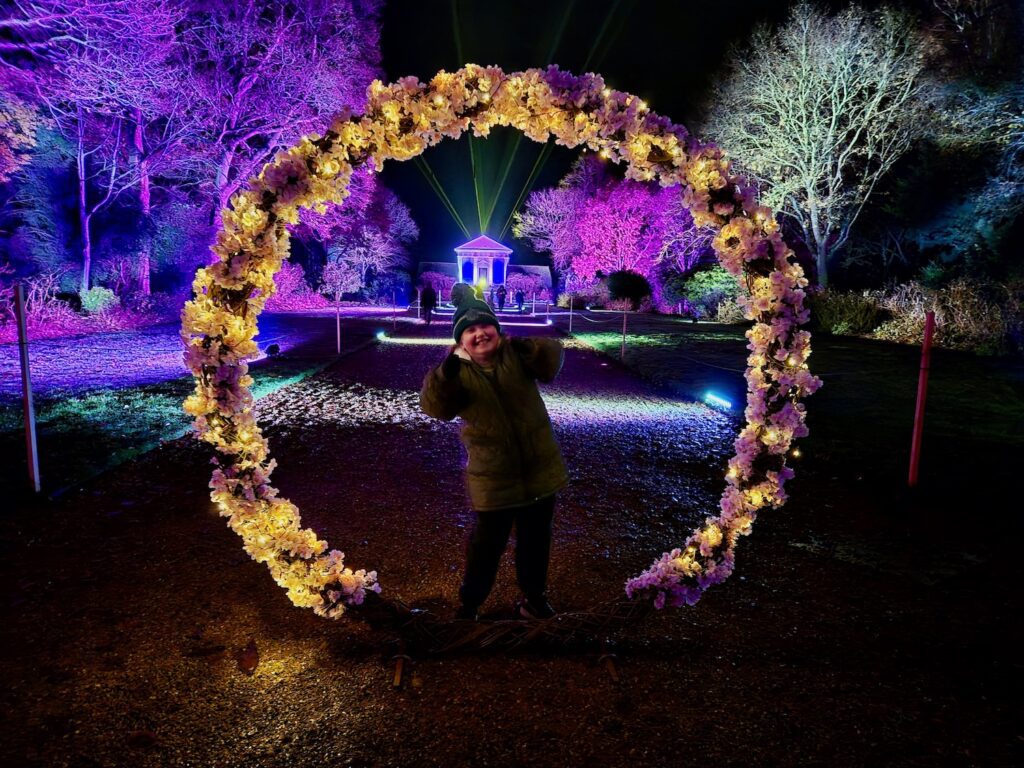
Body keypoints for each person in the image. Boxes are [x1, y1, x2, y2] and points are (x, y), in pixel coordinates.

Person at [420, 283, 568, 621]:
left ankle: (534, 598)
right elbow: (435, 406)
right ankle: (470, 604)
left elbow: (552, 359)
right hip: (493, 476)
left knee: (535, 542)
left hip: (539, 468)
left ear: (497, 329)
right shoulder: (455, 373)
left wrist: (522, 344)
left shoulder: (515, 356)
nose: (480, 333)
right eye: (469, 330)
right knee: (486, 546)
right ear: (460, 341)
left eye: (485, 325)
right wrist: (446, 373)